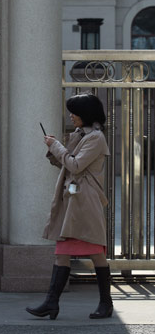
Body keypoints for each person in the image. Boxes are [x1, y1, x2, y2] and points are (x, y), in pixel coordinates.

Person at [26, 93, 112, 320]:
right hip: (71, 202)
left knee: (95, 252)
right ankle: (51, 303)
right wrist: (55, 148)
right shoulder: (80, 134)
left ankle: (106, 303)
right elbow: (67, 162)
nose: (71, 116)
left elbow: (75, 165)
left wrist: (56, 146)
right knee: (61, 253)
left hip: (85, 202)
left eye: (74, 112)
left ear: (86, 114)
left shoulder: (95, 138)